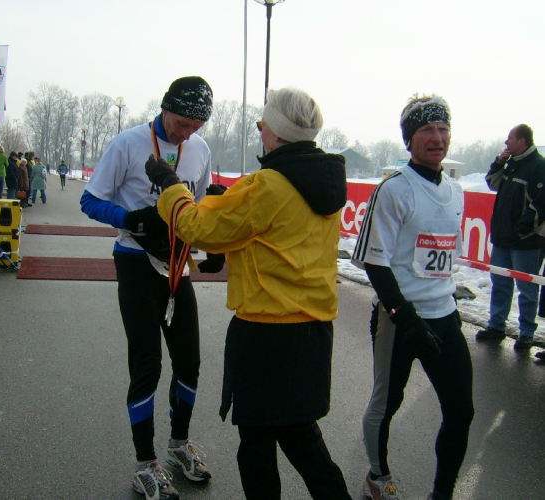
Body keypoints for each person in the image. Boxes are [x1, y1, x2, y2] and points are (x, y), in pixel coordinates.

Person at [146, 86, 351, 500]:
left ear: (277, 130)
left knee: (258, 446)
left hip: (266, 333)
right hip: (312, 332)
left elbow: (198, 228)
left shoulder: (266, 185)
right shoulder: (324, 181)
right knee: (301, 438)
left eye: (262, 125)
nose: (260, 132)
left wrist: (171, 184)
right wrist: (230, 209)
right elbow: (277, 236)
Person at [81, 76, 215, 500]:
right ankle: (145, 464)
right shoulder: (128, 143)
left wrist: (212, 241)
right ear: (165, 108)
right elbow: (89, 200)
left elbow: (200, 204)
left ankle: (178, 444)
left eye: (195, 127)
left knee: (190, 362)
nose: (186, 133)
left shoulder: (200, 149)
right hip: (136, 261)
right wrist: (129, 219)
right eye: (182, 123)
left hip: (177, 265)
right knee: (147, 365)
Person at [352, 95, 474, 500]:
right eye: (426, 130)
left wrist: (450, 296)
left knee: (461, 411)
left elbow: (444, 258)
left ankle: (442, 493)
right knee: (387, 404)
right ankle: (377, 477)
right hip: (399, 320)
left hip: (444, 315)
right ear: (409, 139)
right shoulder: (394, 189)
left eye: (443, 129)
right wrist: (405, 317)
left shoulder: (456, 192)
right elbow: (374, 262)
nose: (437, 138)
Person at [476, 124, 545, 350]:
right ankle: (497, 326)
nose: (506, 142)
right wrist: (499, 162)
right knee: (500, 283)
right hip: (502, 238)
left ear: (522, 141)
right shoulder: (511, 164)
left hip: (525, 242)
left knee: (527, 288)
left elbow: (541, 204)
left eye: (510, 138)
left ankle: (527, 332)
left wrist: (521, 231)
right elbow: (492, 182)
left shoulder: (539, 166)